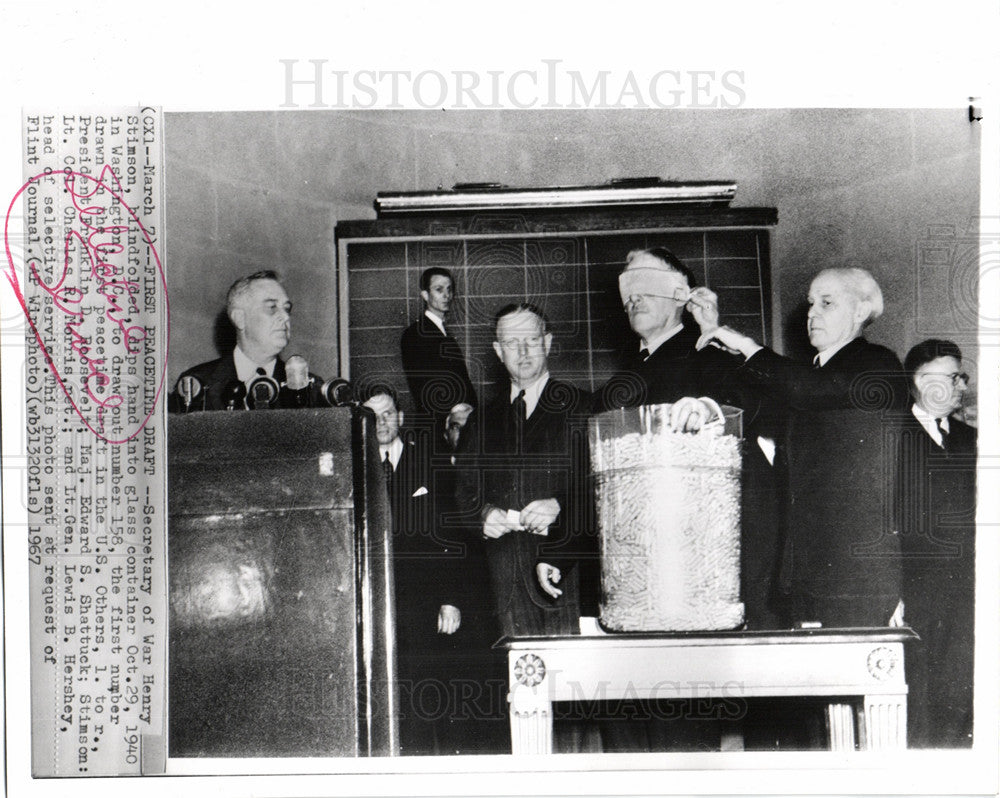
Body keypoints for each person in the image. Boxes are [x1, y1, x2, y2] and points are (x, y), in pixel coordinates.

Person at [698, 267, 910, 628]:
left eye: (827, 303)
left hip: (856, 579)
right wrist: (711, 331)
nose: (812, 313)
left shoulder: (879, 364)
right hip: (804, 575)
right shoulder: (807, 376)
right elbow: (757, 402)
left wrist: (748, 346)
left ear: (860, 311)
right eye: (811, 303)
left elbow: (811, 389)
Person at [362, 385, 501, 755]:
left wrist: (451, 599)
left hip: (428, 606)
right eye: (372, 416)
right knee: (397, 707)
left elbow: (454, 536)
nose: (382, 422)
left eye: (388, 413)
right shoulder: (356, 471)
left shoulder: (431, 463)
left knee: (440, 698)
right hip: (378, 608)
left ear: (402, 418)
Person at [459, 303, 599, 638]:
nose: (522, 352)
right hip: (504, 578)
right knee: (521, 683)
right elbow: (462, 490)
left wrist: (561, 505)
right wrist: (481, 514)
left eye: (531, 341)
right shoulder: (482, 418)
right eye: (511, 343)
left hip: (569, 573)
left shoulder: (585, 408)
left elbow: (605, 487)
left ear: (547, 343)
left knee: (574, 682)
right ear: (497, 351)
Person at [896, 339, 976, 747]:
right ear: (920, 380)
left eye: (961, 376)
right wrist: (891, 593)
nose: (962, 385)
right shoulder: (890, 437)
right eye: (953, 376)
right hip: (915, 591)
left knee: (961, 693)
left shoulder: (971, 440)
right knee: (919, 699)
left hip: (967, 591)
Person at [170, 270, 323, 411]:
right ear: (240, 318)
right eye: (272, 307)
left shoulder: (312, 389)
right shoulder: (197, 385)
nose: (285, 317)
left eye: (286, 308)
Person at [400, 267, 477, 442]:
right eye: (439, 289)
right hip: (436, 429)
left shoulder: (444, 332)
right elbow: (424, 387)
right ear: (425, 295)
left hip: (454, 426)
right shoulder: (415, 334)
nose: (446, 295)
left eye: (449, 289)